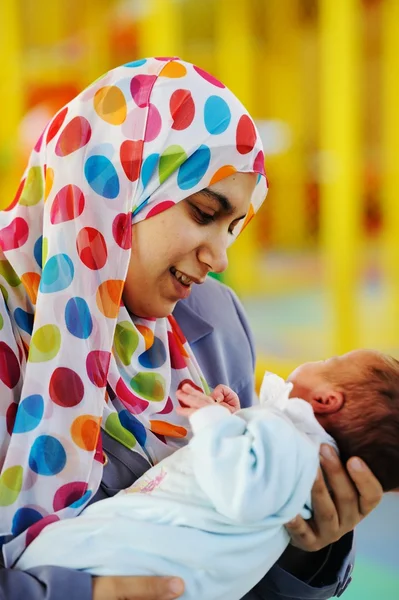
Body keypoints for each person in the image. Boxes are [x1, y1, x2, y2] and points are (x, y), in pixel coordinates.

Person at [0, 57, 382, 600]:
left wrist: (302, 545)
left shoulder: (216, 323)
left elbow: (221, 547)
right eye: (204, 212)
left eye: (234, 227)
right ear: (117, 182)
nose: (221, 256)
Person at [15, 349, 399, 600]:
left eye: (329, 360)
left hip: (129, 563)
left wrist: (210, 417)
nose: (219, 261)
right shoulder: (294, 459)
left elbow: (239, 490)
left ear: (327, 399)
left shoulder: (289, 440)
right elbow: (250, 471)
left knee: (60, 551)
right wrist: (233, 422)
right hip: (179, 577)